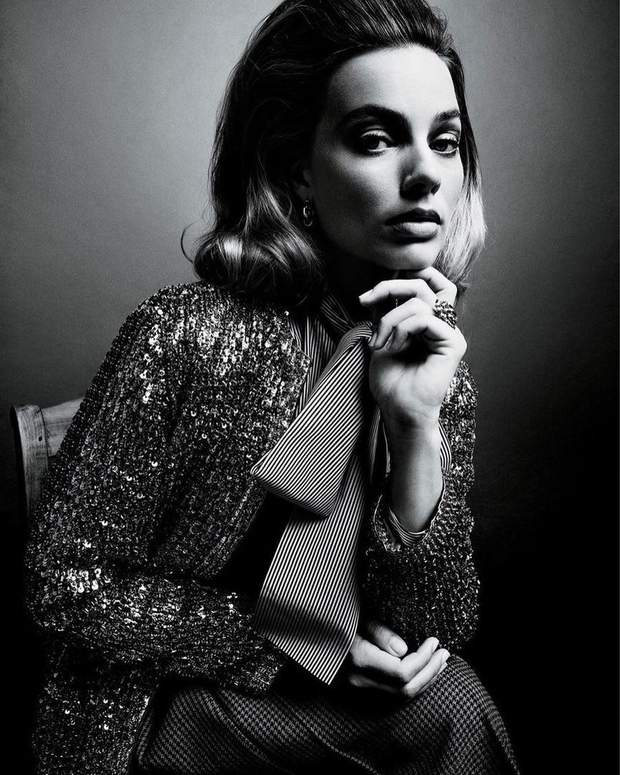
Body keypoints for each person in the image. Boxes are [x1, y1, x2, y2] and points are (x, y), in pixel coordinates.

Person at [25, 1, 521, 773]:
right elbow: (63, 582)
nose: (425, 172)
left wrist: (416, 426)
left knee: (453, 700)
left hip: (325, 702)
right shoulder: (184, 336)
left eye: (446, 141)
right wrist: (281, 646)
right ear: (297, 170)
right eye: (376, 138)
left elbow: (436, 627)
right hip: (166, 706)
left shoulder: (434, 362)